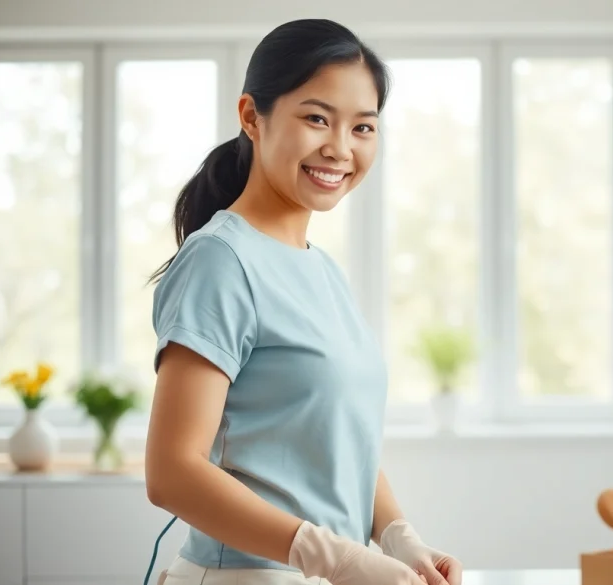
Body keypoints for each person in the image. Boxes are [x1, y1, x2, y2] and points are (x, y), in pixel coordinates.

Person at [143, 18, 463, 585]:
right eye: (317, 118)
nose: (340, 148)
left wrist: (395, 537)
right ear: (251, 117)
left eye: (363, 127)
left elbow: (332, 443)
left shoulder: (323, 272)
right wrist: (336, 557)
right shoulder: (220, 259)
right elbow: (171, 472)